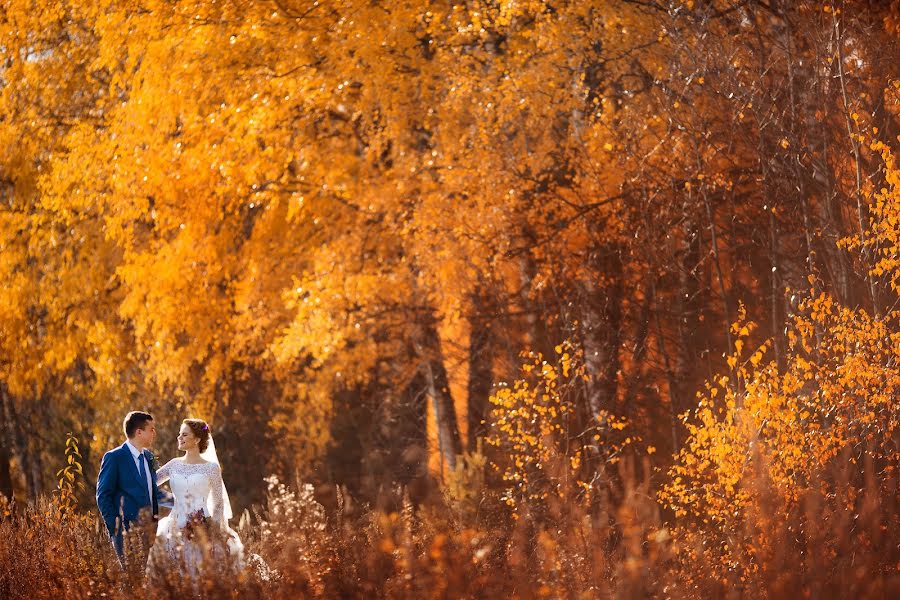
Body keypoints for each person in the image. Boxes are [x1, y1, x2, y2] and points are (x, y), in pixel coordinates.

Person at [148, 418, 244, 577]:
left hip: (202, 527)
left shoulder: (211, 468)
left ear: (197, 439)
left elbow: (218, 503)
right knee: (173, 575)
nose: (179, 437)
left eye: (184, 435)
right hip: (174, 527)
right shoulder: (173, 465)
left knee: (200, 574)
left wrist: (211, 529)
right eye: (179, 434)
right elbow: (149, 483)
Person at [96, 411, 161, 562]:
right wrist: (116, 530)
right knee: (130, 581)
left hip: (148, 533)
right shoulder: (114, 457)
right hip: (125, 534)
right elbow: (103, 496)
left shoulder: (148, 457)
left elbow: (152, 493)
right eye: (151, 429)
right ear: (139, 432)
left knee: (144, 581)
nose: (154, 433)